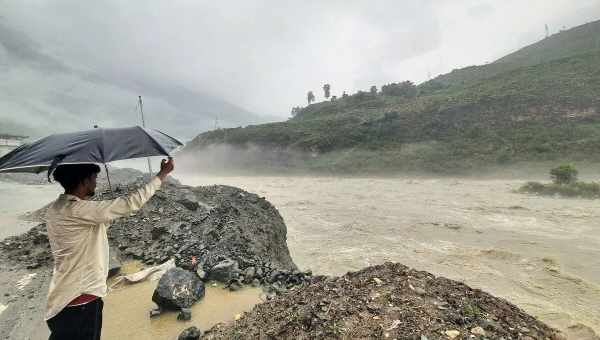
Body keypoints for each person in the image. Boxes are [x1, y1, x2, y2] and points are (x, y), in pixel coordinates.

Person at [44, 158, 174, 340]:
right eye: (94, 178)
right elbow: (131, 203)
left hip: (61, 299)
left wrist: (110, 214)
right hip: (81, 301)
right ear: (84, 181)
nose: (96, 182)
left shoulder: (56, 209)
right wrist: (162, 174)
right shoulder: (79, 210)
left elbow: (90, 229)